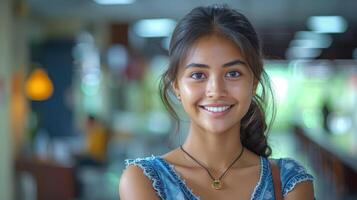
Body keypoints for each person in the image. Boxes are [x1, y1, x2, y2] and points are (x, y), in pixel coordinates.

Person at [119, 4, 314, 200]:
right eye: (198, 75)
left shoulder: (289, 181)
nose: (216, 91)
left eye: (233, 73)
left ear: (253, 83)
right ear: (176, 86)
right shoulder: (144, 180)